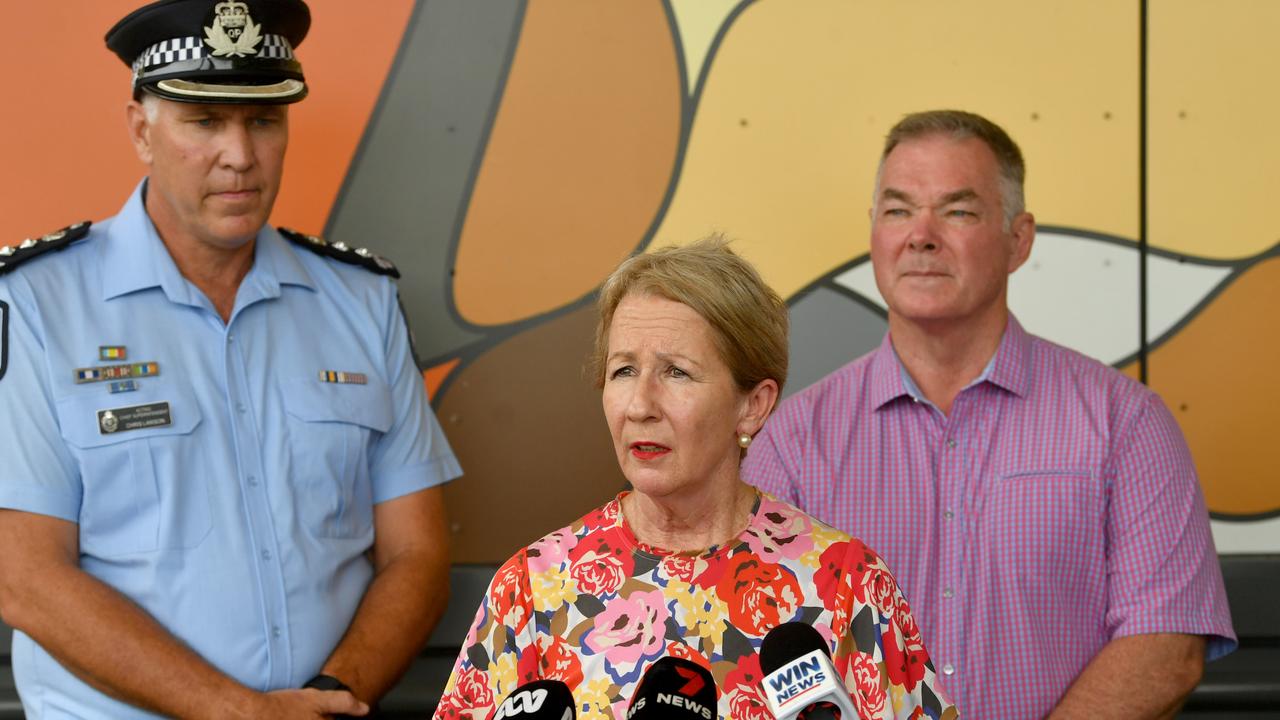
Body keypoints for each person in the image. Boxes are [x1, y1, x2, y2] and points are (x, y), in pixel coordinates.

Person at [0, 1, 462, 717]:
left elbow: (418, 556)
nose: (240, 155)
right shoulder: (37, 304)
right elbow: (22, 574)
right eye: (205, 120)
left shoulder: (359, 301)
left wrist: (329, 698)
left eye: (264, 120)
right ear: (140, 130)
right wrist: (238, 711)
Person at [743, 109, 1236, 719]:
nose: (919, 235)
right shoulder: (792, 440)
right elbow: (757, 645)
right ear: (874, 230)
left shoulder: (1126, 423)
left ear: (1018, 240)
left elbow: (1167, 645)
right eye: (897, 210)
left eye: (958, 210)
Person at [435, 238, 957, 719]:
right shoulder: (532, 588)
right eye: (622, 371)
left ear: (753, 406)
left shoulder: (846, 584)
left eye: (677, 372)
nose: (640, 405)